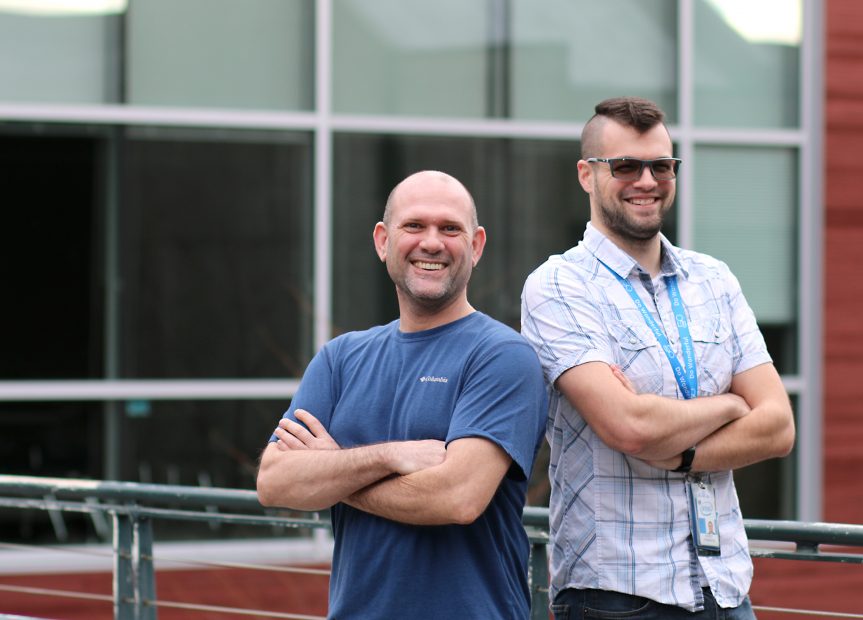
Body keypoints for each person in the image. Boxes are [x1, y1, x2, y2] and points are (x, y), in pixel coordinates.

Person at [520, 97, 796, 619]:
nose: (646, 180)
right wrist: (732, 405)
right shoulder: (557, 285)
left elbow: (779, 427)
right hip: (618, 596)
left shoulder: (714, 279)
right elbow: (631, 429)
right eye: (625, 165)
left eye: (661, 166)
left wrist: (682, 453)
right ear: (586, 174)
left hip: (726, 589)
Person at [257, 170, 548, 620]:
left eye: (450, 229)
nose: (431, 242)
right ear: (382, 240)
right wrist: (391, 456)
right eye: (414, 226)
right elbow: (275, 482)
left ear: (476, 246)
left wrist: (333, 475)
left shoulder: (503, 356)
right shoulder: (341, 358)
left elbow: (457, 498)